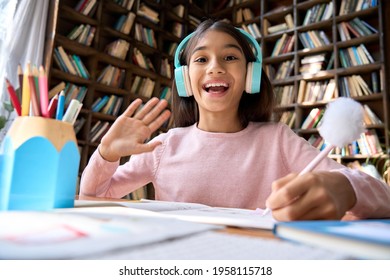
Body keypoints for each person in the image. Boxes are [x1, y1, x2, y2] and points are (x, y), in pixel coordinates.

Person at [80, 19, 390, 221]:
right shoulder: (164, 145)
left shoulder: (277, 140)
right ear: (185, 80)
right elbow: (93, 197)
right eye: (201, 59)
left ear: (250, 76)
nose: (215, 67)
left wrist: (344, 188)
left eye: (230, 57)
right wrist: (106, 155)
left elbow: (381, 196)